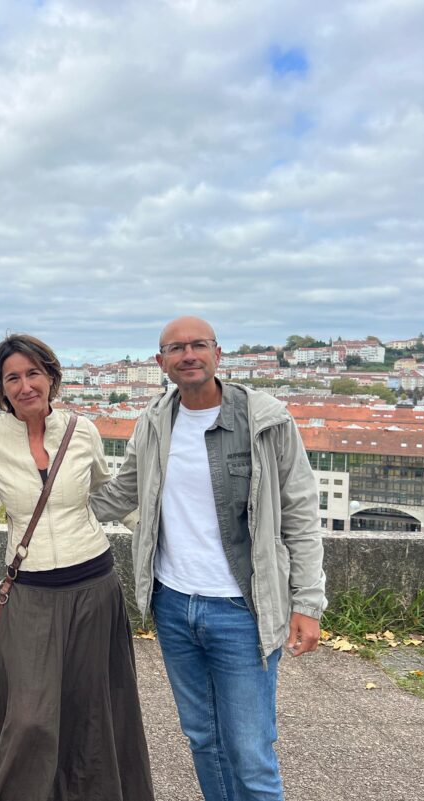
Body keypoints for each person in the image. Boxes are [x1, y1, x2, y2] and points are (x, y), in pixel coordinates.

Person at [91, 316, 327, 801]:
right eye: (176, 349)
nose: (188, 355)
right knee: (203, 739)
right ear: (161, 362)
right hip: (174, 604)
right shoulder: (155, 421)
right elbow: (123, 492)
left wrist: (308, 603)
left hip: (242, 608)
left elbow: (300, 515)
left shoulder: (265, 419)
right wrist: (46, 498)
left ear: (218, 354)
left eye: (198, 345)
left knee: (250, 751)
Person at [0, 333, 154, 801]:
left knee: (91, 711)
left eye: (33, 373)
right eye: (12, 377)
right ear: (0, 387)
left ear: (52, 377)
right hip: (29, 592)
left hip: (93, 584)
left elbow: (105, 491)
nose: (25, 385)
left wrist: (155, 536)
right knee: (29, 719)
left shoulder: (82, 429)